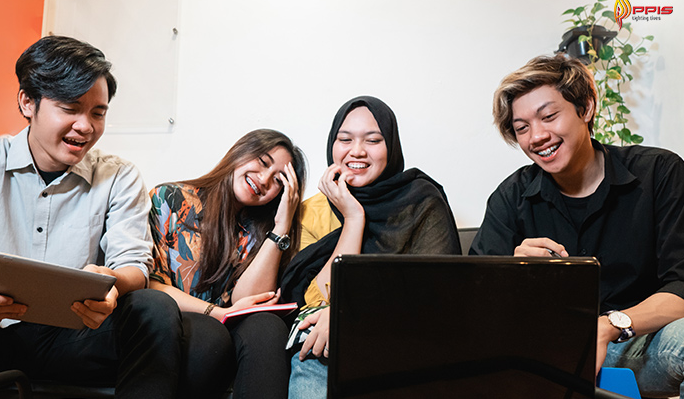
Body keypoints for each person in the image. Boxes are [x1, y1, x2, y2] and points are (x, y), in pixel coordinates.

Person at [0, 36, 179, 398]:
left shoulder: (119, 176)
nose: (86, 126)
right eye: (70, 108)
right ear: (28, 102)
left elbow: (134, 266)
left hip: (76, 337)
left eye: (97, 113)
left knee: (155, 308)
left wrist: (109, 282)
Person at [471, 54, 684, 398]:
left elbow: (683, 284)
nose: (537, 136)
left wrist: (608, 327)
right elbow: (474, 306)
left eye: (549, 116)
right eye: (522, 127)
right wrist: (514, 274)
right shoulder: (511, 197)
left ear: (585, 108)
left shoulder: (659, 173)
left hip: (641, 344)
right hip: (544, 354)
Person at [280, 95, 462, 399]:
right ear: (332, 145)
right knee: (311, 344)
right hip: (326, 347)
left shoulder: (421, 200)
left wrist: (346, 314)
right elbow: (317, 298)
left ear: (391, 147)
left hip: (404, 339)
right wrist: (353, 218)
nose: (357, 151)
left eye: (373, 140)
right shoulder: (313, 210)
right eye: (345, 139)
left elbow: (436, 291)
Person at [148, 129, 307, 398]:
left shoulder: (259, 229)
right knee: (208, 335)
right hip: (178, 325)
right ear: (241, 152)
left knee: (268, 328)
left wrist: (281, 227)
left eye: (278, 181)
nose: (264, 180)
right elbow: (151, 285)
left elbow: (249, 299)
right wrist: (216, 313)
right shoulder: (170, 198)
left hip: (229, 337)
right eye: (262, 162)